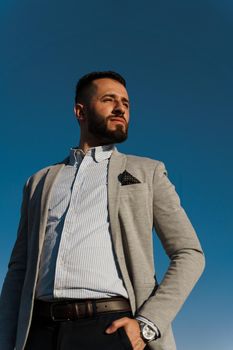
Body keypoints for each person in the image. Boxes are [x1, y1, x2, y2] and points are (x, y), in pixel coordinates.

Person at [0, 71, 205, 350]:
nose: (121, 107)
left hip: (111, 329)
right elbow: (19, 269)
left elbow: (189, 254)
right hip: (38, 332)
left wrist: (146, 324)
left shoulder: (147, 172)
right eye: (109, 99)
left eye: (126, 103)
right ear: (80, 111)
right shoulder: (39, 182)